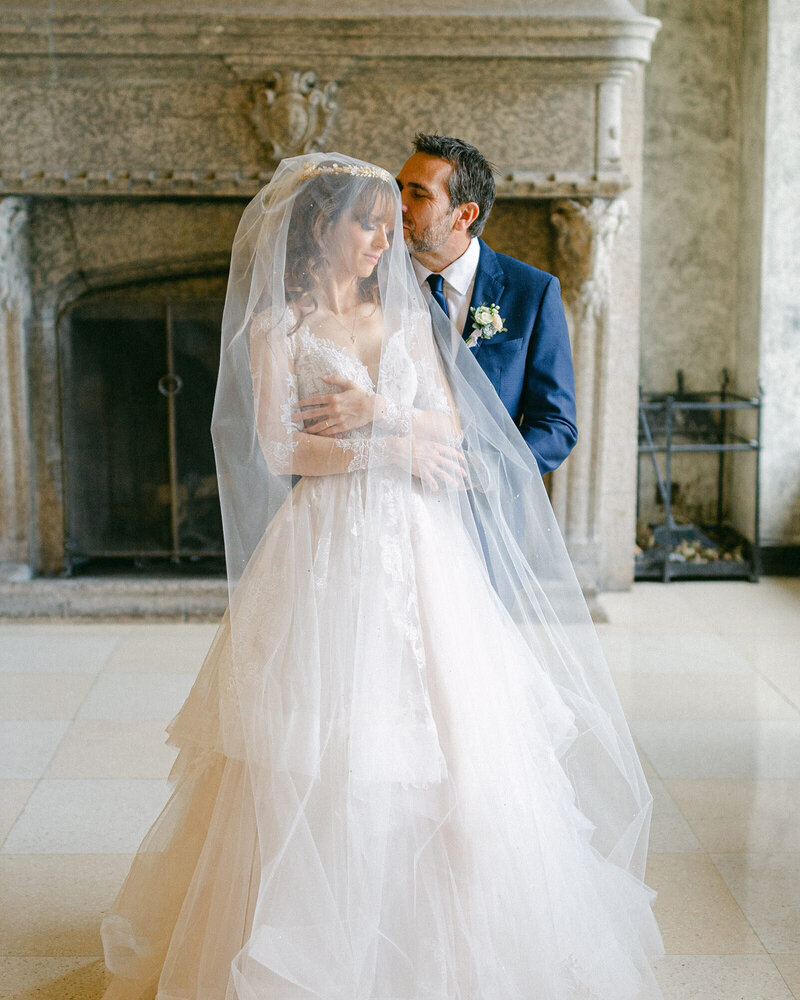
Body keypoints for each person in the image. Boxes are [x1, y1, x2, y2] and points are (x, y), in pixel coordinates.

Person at [100, 153, 663, 1000]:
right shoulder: (276, 331)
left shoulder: (405, 318)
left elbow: (447, 418)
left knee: (449, 737)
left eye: (390, 223)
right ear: (319, 229)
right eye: (367, 222)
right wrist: (388, 453)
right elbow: (282, 450)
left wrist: (383, 422)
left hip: (424, 546)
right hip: (326, 547)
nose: (383, 240)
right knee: (323, 739)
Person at [397, 133, 578, 476]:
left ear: (464, 215)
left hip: (486, 516)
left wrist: (488, 473)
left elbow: (556, 425)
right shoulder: (369, 282)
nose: (399, 204)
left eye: (418, 194)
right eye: (399, 188)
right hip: (392, 500)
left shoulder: (533, 292)